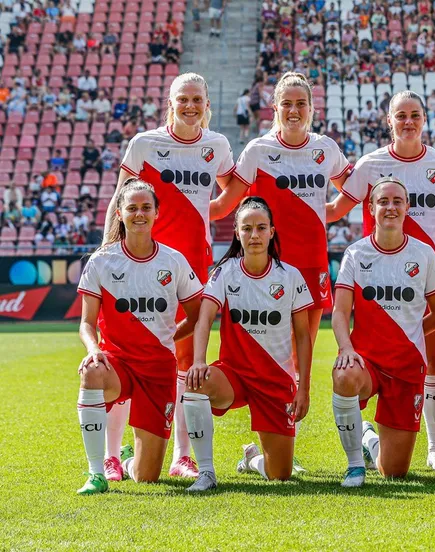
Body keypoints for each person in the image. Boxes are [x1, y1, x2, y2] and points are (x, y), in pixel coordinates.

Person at [326, 90, 435, 470]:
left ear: (424, 120)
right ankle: (369, 437)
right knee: (368, 365)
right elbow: (332, 211)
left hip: (429, 281)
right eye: (401, 115)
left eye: (415, 115)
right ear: (389, 121)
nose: (408, 121)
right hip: (379, 288)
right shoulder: (369, 164)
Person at [211, 72, 351, 471]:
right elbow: (227, 204)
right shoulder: (258, 150)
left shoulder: (325, 149)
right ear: (275, 107)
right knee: (274, 347)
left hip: (312, 264)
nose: (293, 110)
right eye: (286, 103)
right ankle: (266, 444)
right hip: (269, 267)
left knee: (298, 350)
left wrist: (324, 215)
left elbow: (352, 189)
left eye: (300, 104)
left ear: (311, 109)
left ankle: (273, 444)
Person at [102, 72, 235, 481]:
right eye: (183, 99)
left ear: (207, 103)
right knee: (123, 353)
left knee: (184, 361)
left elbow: (232, 191)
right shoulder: (145, 143)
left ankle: (183, 455)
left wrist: (204, 213)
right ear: (171, 102)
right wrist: (108, 252)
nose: (190, 106)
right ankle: (110, 456)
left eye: (197, 98)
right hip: (140, 267)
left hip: (193, 267)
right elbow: (119, 199)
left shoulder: (217, 145)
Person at [75, 178, 203, 494]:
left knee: (148, 477)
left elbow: (199, 314)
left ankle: (130, 461)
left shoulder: (173, 260)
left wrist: (171, 337)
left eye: (146, 207)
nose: (139, 214)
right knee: (91, 371)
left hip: (158, 370)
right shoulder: (102, 260)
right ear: (119, 213)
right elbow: (86, 323)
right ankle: (98, 471)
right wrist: (93, 348)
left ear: (157, 213)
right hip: (117, 363)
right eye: (132, 208)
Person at [183, 197, 313, 491]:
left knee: (279, 474)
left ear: (271, 232)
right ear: (238, 234)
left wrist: (304, 387)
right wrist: (199, 360)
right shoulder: (225, 272)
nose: (254, 235)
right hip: (234, 374)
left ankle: (252, 458)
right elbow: (204, 319)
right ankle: (206, 472)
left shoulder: (290, 277)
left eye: (261, 228)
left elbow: (303, 335)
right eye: (247, 228)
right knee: (195, 382)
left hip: (274, 381)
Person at [331, 177, 435, 488]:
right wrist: (346, 348)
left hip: (407, 367)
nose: (391, 207)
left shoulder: (424, 254)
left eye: (398, 201)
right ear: (371, 208)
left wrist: (408, 334)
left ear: (408, 208)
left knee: (394, 472)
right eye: (383, 201)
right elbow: (341, 312)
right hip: (366, 362)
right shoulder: (356, 254)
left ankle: (369, 439)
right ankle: (355, 464)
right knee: (343, 375)